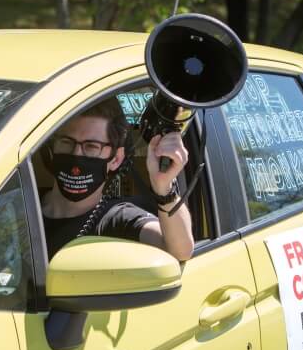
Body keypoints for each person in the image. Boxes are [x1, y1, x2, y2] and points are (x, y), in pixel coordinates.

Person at [41, 97, 194, 262]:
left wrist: (163, 186)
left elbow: (179, 251)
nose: (76, 154)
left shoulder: (117, 218)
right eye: (66, 142)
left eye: (92, 146)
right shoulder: (18, 202)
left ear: (116, 159)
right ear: (53, 147)